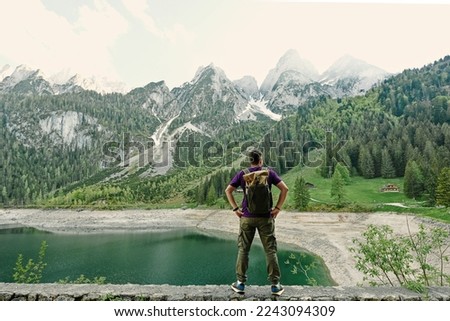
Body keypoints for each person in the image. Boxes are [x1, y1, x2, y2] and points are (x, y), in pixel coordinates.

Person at [225, 149, 289, 296]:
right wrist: (277, 208)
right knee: (270, 250)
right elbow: (285, 189)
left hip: (246, 217)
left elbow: (228, 190)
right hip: (266, 218)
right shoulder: (269, 173)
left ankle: (240, 284)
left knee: (243, 250)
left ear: (250, 161)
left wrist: (235, 208)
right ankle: (275, 285)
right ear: (261, 160)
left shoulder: (243, 174)